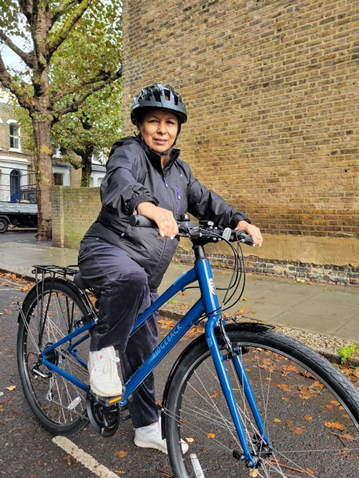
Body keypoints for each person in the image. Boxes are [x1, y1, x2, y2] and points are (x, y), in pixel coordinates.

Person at [78, 83, 263, 454]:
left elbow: (206, 201)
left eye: (169, 122)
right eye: (153, 121)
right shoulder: (127, 152)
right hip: (106, 250)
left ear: (178, 128)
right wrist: (147, 206)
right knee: (128, 280)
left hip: (146, 276)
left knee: (145, 350)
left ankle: (146, 426)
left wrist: (238, 221)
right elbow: (118, 183)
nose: (162, 129)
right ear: (140, 126)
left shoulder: (181, 172)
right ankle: (101, 358)